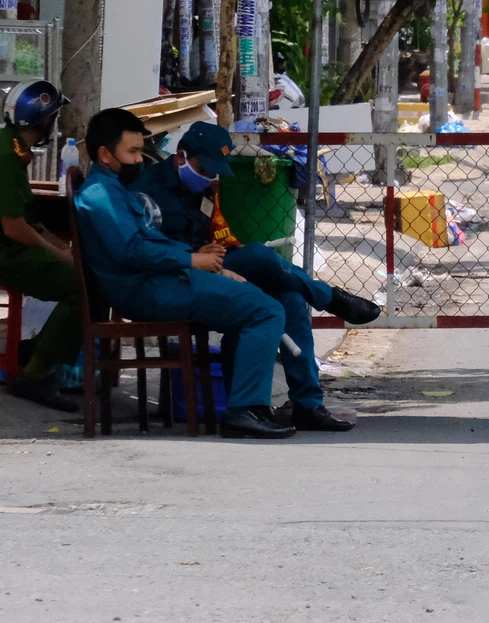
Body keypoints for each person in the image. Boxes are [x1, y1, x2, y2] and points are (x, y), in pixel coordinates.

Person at [137, 122, 380, 432]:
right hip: (179, 277)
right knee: (259, 256)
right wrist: (207, 261)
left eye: (214, 171)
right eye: (205, 168)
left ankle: (307, 404)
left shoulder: (204, 189)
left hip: (207, 265)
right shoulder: (151, 190)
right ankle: (329, 297)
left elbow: (203, 236)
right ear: (181, 156)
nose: (210, 176)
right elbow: (155, 249)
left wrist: (209, 250)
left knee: (290, 298)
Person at [74, 107, 298, 439]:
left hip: (161, 281)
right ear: (105, 155)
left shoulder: (115, 191)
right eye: (132, 152)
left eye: (140, 150)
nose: (139, 159)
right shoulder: (99, 194)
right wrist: (193, 261)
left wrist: (200, 261)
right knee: (265, 310)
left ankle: (248, 407)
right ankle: (245, 410)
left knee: (256, 303)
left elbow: (151, 240)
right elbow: (133, 249)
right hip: (146, 290)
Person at [0, 79, 82, 413]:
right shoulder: (5, 157)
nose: (56, 121)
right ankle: (35, 375)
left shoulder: (12, 148)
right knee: (81, 289)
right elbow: (15, 228)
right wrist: (60, 256)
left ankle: (34, 352)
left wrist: (67, 250)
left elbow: (32, 221)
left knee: (82, 275)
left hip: (7, 248)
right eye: (54, 115)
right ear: (43, 120)